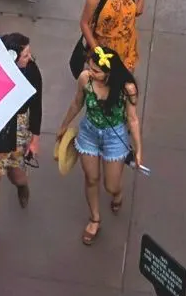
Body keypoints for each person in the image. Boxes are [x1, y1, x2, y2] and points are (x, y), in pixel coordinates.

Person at [55, 48, 144, 245]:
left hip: (114, 137)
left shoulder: (127, 88)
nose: (90, 72)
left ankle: (117, 193)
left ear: (110, 73)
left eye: (96, 71)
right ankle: (94, 218)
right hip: (89, 133)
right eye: (90, 68)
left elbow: (133, 119)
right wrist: (64, 125)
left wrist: (138, 150)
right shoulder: (85, 79)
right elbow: (77, 103)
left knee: (111, 185)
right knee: (91, 178)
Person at [0, 32, 43, 257]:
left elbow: (37, 104)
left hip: (19, 129)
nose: (29, 57)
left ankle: (22, 186)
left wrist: (35, 137)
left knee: (16, 174)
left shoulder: (32, 71)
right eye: (25, 54)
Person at [79, 0, 145, 76]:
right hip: (104, 48)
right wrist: (97, 50)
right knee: (101, 82)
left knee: (123, 81)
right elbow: (84, 23)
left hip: (127, 46)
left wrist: (140, 5)